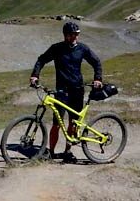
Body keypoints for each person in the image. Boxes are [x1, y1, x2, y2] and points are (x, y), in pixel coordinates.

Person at [30, 22, 103, 163]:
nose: (76, 36)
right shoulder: (57, 48)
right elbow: (41, 60)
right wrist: (35, 75)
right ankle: (51, 152)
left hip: (77, 90)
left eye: (77, 34)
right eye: (73, 34)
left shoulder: (82, 49)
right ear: (66, 35)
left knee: (73, 123)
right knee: (56, 123)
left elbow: (96, 62)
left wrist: (98, 79)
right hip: (61, 91)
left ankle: (68, 151)